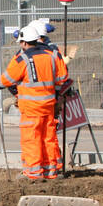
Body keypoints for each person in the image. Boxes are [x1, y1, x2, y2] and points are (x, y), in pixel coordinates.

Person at [0, 25, 67, 180]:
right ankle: (52, 171)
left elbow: (7, 79)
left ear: (24, 43)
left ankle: (34, 173)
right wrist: (56, 95)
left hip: (31, 109)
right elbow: (61, 78)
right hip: (48, 106)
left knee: (32, 139)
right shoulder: (52, 56)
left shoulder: (22, 59)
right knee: (49, 138)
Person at [28, 18, 72, 177]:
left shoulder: (42, 53)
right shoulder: (53, 51)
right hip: (50, 99)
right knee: (48, 136)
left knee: (40, 136)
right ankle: (52, 168)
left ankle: (43, 168)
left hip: (41, 101)